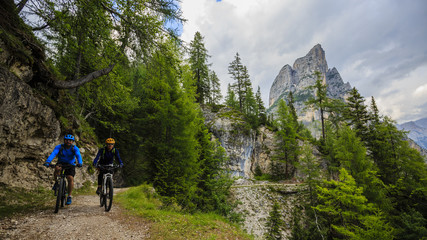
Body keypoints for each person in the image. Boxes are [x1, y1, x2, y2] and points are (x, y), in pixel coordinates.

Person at [44, 134, 83, 205]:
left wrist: (80, 162)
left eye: (70, 140)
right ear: (64, 140)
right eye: (67, 140)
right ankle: (57, 183)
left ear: (72, 142)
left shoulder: (74, 148)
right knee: (56, 168)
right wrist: (48, 161)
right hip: (61, 163)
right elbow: (53, 153)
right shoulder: (59, 147)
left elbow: (78, 155)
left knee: (70, 178)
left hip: (70, 164)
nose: (68, 141)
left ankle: (69, 196)